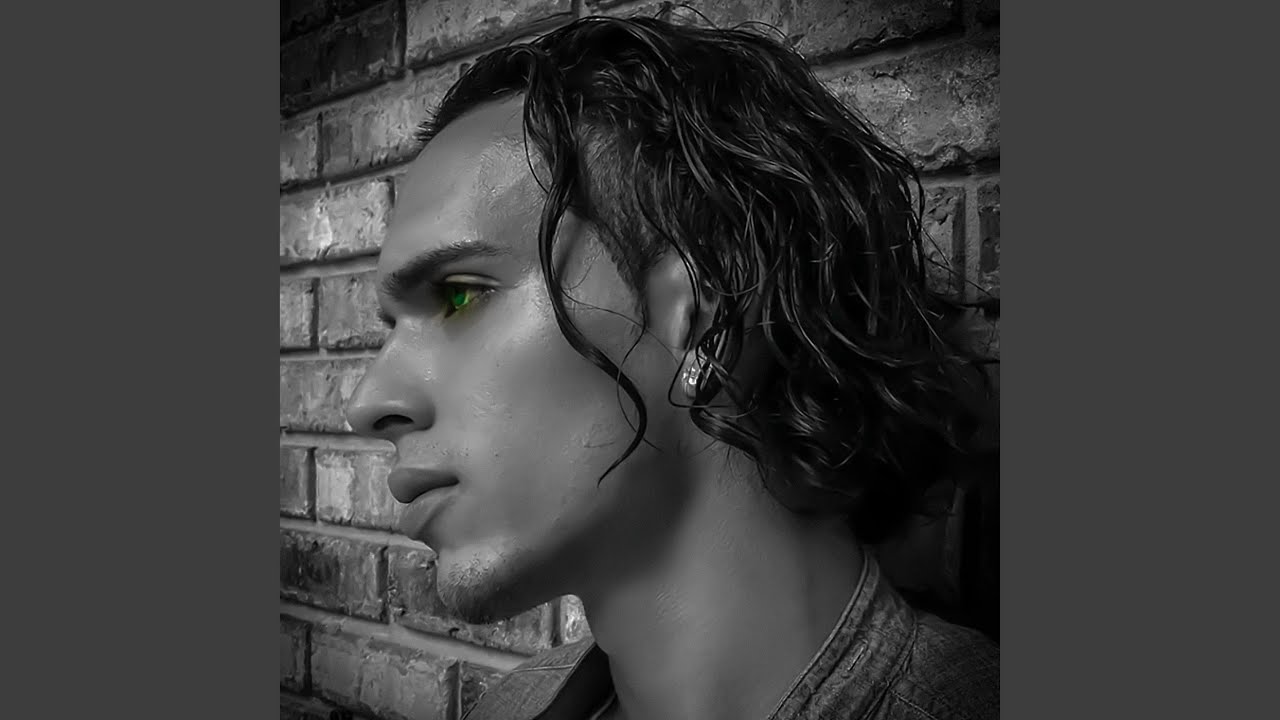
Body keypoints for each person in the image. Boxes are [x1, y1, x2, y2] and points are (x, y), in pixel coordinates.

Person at [345, 13, 998, 720]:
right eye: (390, 329)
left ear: (707, 307)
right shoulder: (508, 706)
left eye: (460, 295)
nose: (368, 402)